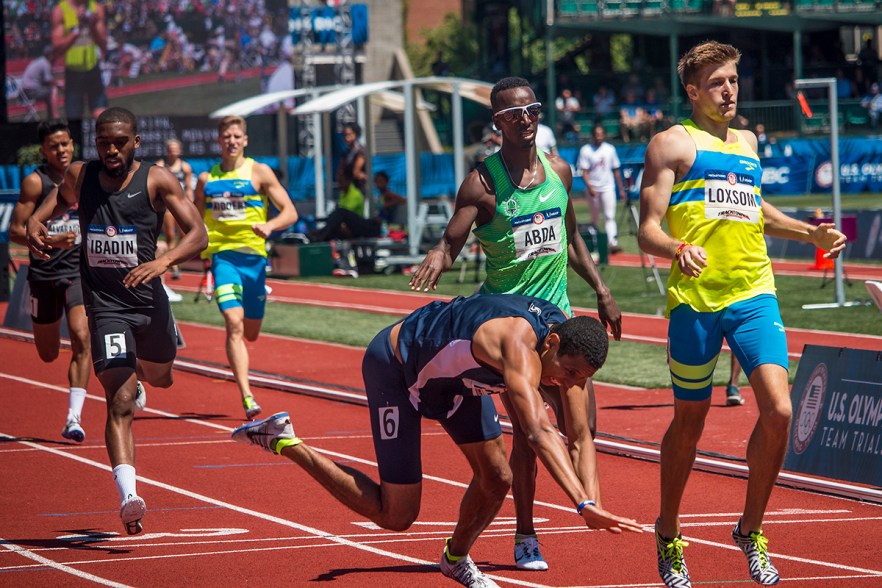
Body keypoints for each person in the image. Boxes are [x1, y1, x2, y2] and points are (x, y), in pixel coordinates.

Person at [231, 294, 642, 587]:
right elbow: (538, 431)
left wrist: (595, 502)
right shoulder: (518, 347)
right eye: (568, 373)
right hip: (399, 369)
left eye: (580, 380)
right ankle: (286, 442)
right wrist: (582, 504)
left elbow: (581, 437)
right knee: (397, 516)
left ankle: (455, 559)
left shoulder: (567, 346)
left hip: (458, 384)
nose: (568, 384)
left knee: (497, 477)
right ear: (550, 343)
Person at [637, 41, 847, 588]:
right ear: (692, 91)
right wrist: (677, 249)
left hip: (753, 292)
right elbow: (647, 227)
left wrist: (809, 233)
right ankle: (668, 532)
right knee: (691, 421)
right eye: (716, 83)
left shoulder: (749, 141)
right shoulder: (671, 145)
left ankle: (750, 529)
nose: (728, 91)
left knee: (779, 410)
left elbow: (754, 206)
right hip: (695, 301)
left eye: (733, 80)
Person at [408, 76, 623, 572]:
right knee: (529, 437)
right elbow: (452, 236)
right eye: (512, 114)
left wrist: (603, 291)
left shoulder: (560, 172)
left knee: (582, 427)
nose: (524, 120)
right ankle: (525, 534)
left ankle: (588, 504)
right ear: (497, 123)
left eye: (531, 111)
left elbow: (571, 240)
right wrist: (441, 254)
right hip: (511, 327)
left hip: (560, 324)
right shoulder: (483, 184)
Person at [27, 107, 208, 535]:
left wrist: (163, 261)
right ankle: (129, 496)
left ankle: (147, 372)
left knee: (161, 378)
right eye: (104, 142)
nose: (110, 150)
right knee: (120, 400)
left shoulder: (157, 179)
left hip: (149, 304)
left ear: (136, 142)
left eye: (119, 142)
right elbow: (60, 200)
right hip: (106, 306)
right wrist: (38, 220)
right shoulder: (80, 175)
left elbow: (198, 234)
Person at [194, 115, 299, 420]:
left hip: (255, 261)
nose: (232, 141)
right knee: (234, 323)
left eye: (237, 136)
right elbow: (195, 219)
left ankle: (255, 302)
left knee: (251, 332)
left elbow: (290, 212)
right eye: (227, 136)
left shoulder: (259, 172)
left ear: (245, 140)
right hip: (223, 259)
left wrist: (270, 225)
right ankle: (247, 396)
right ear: (219, 141)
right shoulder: (206, 180)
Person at [10, 119, 90, 442]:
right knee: (48, 353)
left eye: (66, 143)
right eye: (54, 146)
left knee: (83, 338)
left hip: (76, 272)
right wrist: (51, 241)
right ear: (43, 150)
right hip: (43, 273)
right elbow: (16, 230)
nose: (61, 150)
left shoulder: (85, 179)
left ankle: (74, 417)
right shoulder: (35, 183)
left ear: (73, 144)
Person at [51, 0, 108, 120]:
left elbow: (103, 45)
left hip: (93, 70)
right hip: (73, 74)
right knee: (74, 120)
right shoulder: (61, 10)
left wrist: (92, 28)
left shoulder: (96, 8)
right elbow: (57, 48)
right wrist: (77, 29)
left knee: (103, 118)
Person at [578, 124, 627, 255]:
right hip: (593, 188)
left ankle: (612, 242)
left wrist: (621, 189)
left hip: (608, 187)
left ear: (604, 135)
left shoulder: (610, 149)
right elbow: (584, 171)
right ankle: (595, 243)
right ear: (592, 135)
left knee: (609, 216)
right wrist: (590, 187)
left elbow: (615, 170)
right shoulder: (586, 150)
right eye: (596, 134)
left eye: (600, 134)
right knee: (594, 218)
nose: (598, 136)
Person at [156, 139, 195, 282]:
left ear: (180, 151)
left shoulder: (185, 167)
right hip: (167, 207)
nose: (172, 151)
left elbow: (189, 188)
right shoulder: (161, 165)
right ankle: (175, 267)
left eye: (175, 149)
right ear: (167, 151)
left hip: (182, 205)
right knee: (170, 236)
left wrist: (191, 205)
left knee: (185, 235)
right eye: (170, 149)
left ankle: (177, 259)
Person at [21, 46, 59, 119]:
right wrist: (59, 85)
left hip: (24, 92)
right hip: (31, 91)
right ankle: (55, 116)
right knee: (53, 90)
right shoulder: (46, 63)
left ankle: (50, 116)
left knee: (48, 92)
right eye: (54, 54)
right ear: (50, 55)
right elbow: (48, 80)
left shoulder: (38, 61)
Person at [339, 121, 367, 195]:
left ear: (356, 134)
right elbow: (341, 170)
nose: (346, 137)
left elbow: (356, 172)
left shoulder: (361, 151)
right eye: (344, 135)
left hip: (359, 189)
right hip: (347, 190)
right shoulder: (346, 152)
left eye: (349, 134)